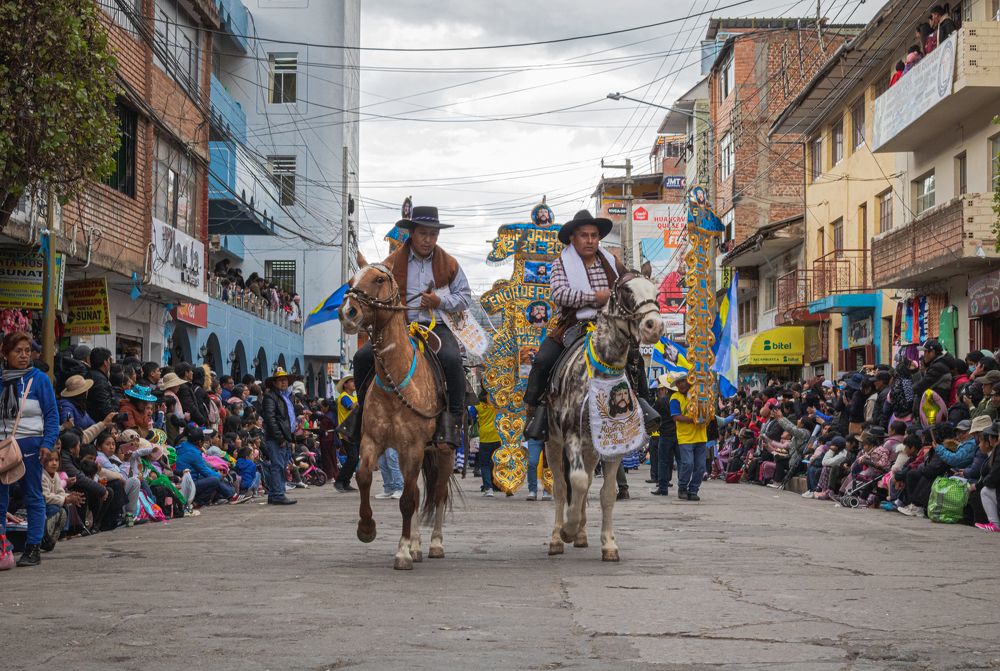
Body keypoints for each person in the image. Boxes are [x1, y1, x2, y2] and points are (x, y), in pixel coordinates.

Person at [351, 205, 473, 448]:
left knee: (452, 360)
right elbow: (375, 287)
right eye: (423, 234)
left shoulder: (449, 263)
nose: (428, 240)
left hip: (434, 326)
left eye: (433, 235)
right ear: (412, 234)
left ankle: (453, 421)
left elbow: (465, 296)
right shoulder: (391, 262)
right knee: (362, 357)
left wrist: (439, 301)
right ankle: (361, 416)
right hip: (399, 327)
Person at [0, 332, 60, 567]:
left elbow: (52, 415)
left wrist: (47, 443)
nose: (24, 356)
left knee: (33, 495)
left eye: (27, 351)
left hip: (30, 446)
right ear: (5, 353)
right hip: (3, 447)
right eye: (18, 351)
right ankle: (2, 546)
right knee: (0, 498)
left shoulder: (39, 380)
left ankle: (33, 547)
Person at [261, 368, 297, 505]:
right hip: (277, 438)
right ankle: (277, 494)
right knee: (277, 465)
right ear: (274, 383)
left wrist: (290, 438)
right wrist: (280, 438)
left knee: (281, 466)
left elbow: (288, 419)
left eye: (285, 380)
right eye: (280, 380)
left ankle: (276, 493)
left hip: (286, 437)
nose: (284, 382)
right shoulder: (271, 397)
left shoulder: (286, 397)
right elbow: (270, 419)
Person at [671, 373, 708, 501]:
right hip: (685, 437)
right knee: (687, 464)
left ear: (689, 381)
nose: (681, 384)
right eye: (679, 382)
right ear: (676, 385)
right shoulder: (675, 398)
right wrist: (693, 420)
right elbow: (676, 416)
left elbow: (708, 410)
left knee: (701, 466)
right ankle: (682, 488)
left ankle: (693, 490)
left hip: (701, 436)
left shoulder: (699, 395)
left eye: (683, 381)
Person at [651, 374, 678, 496]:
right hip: (678, 435)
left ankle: (663, 487)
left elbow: (654, 416)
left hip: (665, 435)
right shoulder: (679, 400)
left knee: (663, 461)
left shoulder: (661, 401)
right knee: (678, 460)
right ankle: (682, 486)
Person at [333, 374, 359, 493]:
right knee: (353, 457)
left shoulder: (354, 397)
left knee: (354, 458)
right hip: (346, 431)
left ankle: (345, 482)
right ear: (345, 384)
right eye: (351, 381)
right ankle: (339, 480)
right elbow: (351, 407)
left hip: (353, 431)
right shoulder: (344, 397)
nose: (354, 383)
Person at [474, 387, 501, 498]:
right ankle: (502, 485)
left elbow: (471, 416)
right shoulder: (497, 403)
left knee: (484, 464)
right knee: (497, 463)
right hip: (498, 436)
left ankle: (488, 488)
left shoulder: (478, 405)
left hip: (485, 438)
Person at [85, 347, 117, 421]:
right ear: (105, 362)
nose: (111, 363)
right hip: (99, 423)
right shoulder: (100, 380)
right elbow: (104, 407)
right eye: (110, 360)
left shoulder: (89, 374)